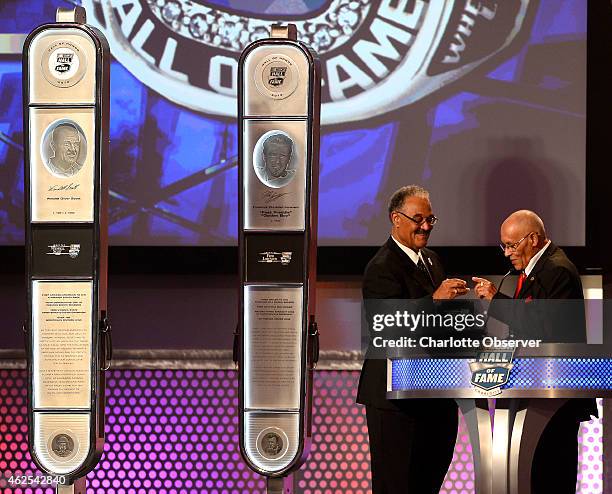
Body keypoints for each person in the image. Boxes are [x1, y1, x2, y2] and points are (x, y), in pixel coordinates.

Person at [473, 209, 597, 494]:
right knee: (534, 477)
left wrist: (497, 301)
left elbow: (546, 327)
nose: (506, 253)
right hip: (535, 390)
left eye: (511, 244)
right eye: (503, 245)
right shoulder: (535, 272)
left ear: (532, 239)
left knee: (552, 477)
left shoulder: (557, 270)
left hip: (555, 395)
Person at [358, 185, 469, 494]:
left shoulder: (432, 261)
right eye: (418, 218)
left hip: (434, 396)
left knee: (427, 484)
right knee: (397, 486)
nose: (426, 226)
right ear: (396, 218)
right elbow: (386, 327)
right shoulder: (381, 267)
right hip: (397, 399)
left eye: (431, 219)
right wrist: (435, 299)